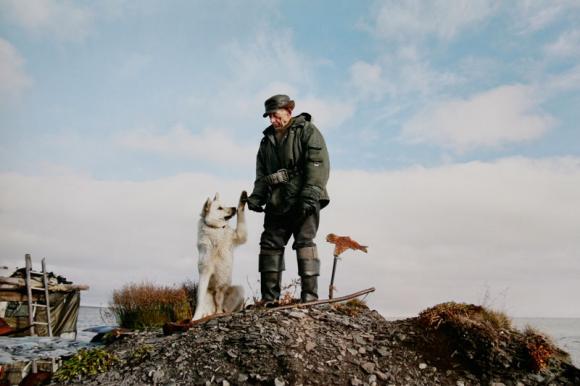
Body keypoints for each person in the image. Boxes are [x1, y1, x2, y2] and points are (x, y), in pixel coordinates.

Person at [246, 94, 330, 303]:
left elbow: (318, 164)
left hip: (304, 198)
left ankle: (309, 297)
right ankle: (269, 299)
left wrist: (310, 194)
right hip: (277, 202)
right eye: (269, 117)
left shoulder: (308, 131)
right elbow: (262, 175)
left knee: (304, 243)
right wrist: (257, 197)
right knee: (269, 244)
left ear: (288, 112)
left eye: (275, 115)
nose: (272, 120)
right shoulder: (266, 142)